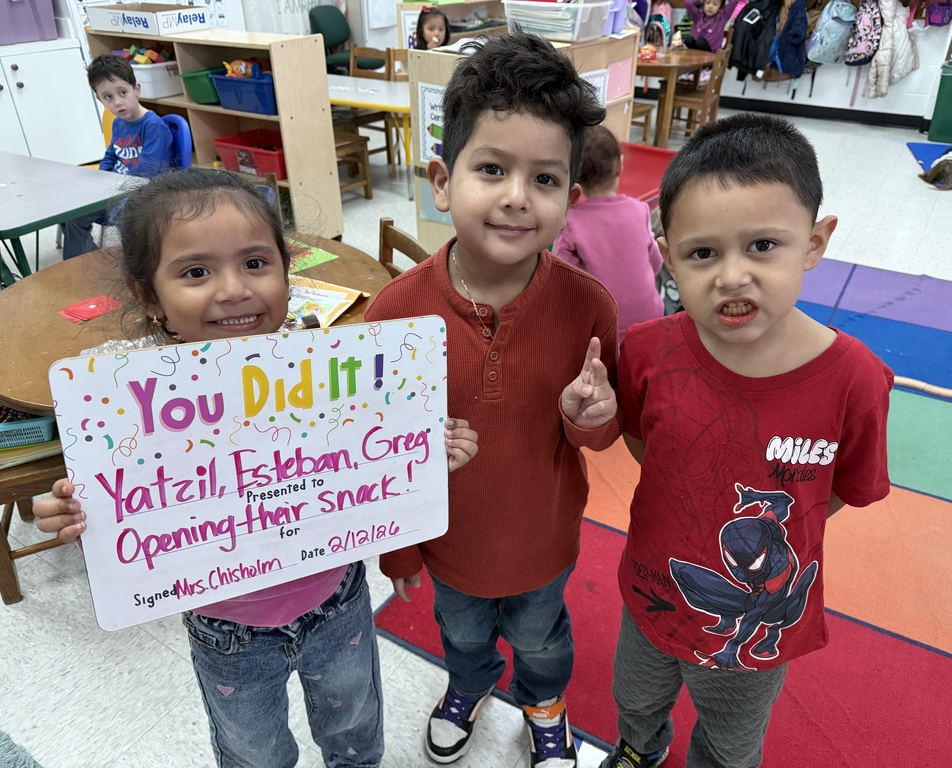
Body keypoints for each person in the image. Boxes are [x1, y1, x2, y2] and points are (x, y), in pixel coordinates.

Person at [33, 168, 479, 768]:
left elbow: (371, 457)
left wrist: (427, 446)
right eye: (195, 272)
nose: (233, 289)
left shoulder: (326, 366)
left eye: (254, 263)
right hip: (227, 632)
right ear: (148, 295)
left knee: (355, 732)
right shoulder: (123, 398)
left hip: (337, 601)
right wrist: (71, 505)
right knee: (254, 755)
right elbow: (114, 491)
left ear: (288, 274)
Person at [600, 113, 894, 768]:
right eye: (703, 252)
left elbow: (843, 490)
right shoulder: (647, 352)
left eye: (763, 245)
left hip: (763, 627)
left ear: (815, 243)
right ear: (668, 254)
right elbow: (645, 442)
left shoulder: (857, 381)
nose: (732, 275)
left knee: (732, 741)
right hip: (653, 595)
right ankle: (638, 751)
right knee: (636, 701)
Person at [364, 32, 622, 768]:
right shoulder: (393, 314)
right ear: (442, 181)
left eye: (544, 180)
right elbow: (378, 451)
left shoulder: (589, 307)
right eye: (491, 169)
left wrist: (588, 418)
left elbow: (599, 438)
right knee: (465, 636)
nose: (516, 196)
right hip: (449, 546)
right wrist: (399, 549)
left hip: (543, 540)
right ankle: (469, 685)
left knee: (544, 638)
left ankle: (545, 705)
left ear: (571, 200)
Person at [552, 125, 665, 342]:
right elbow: (655, 262)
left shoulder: (570, 222)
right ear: (620, 165)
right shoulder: (639, 209)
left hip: (600, 327)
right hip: (649, 317)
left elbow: (562, 277)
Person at [63, 54, 174, 260]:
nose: (118, 102)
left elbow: (148, 171)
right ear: (99, 99)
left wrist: (110, 189)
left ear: (136, 89)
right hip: (116, 191)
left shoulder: (154, 126)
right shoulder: (118, 123)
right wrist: (99, 182)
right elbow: (110, 156)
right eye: (108, 97)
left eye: (123, 92)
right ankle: (83, 262)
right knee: (71, 212)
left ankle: (139, 264)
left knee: (124, 213)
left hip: (145, 193)